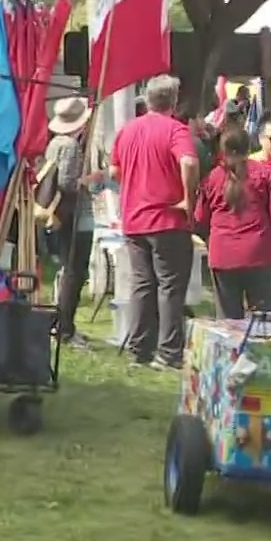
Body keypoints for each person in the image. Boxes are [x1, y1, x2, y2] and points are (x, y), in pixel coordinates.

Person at [109, 75, 200, 369]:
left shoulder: (127, 131)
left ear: (147, 99)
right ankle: (168, 352)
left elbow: (113, 171)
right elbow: (188, 161)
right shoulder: (176, 130)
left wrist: (134, 184)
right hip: (167, 218)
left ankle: (139, 349)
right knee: (170, 287)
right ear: (173, 101)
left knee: (142, 285)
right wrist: (188, 198)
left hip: (134, 219)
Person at [195, 124, 271, 319]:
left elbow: (199, 218)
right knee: (262, 323)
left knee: (228, 322)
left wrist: (211, 239)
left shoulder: (212, 179)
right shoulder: (265, 175)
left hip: (223, 255)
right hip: (261, 255)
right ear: (249, 147)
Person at [42, 97, 101, 348]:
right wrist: (88, 180)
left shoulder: (56, 143)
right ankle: (65, 327)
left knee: (71, 271)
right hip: (75, 215)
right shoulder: (69, 146)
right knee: (75, 272)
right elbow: (67, 183)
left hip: (66, 215)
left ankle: (65, 324)